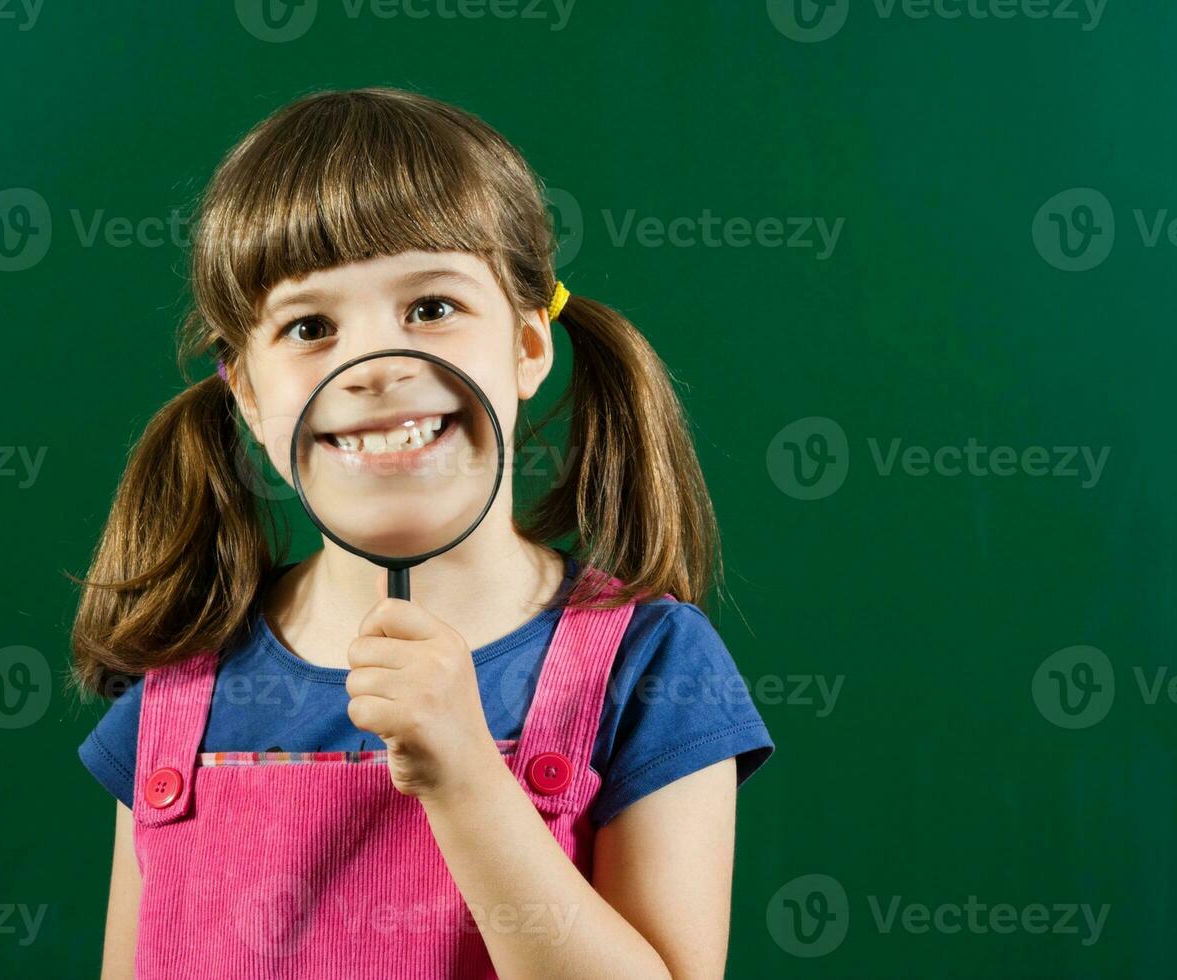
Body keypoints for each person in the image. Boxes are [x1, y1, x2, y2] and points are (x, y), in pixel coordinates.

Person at [71, 86, 773, 979]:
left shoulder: (651, 665)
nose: (376, 368)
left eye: (431, 308)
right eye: (311, 326)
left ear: (525, 348)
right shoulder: (178, 686)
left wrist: (468, 777)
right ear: (247, 393)